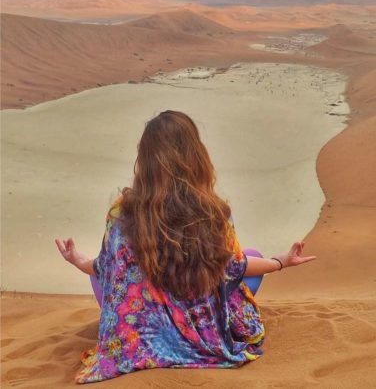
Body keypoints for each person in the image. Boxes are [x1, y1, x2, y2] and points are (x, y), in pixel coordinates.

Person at [55, 110, 316, 384]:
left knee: (105, 275)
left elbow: (104, 266)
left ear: (144, 160)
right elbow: (235, 267)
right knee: (252, 258)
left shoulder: (123, 210)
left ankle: (143, 324)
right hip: (198, 329)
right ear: (195, 155)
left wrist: (76, 259)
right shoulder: (212, 211)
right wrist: (280, 261)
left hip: (138, 328)